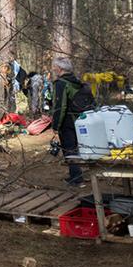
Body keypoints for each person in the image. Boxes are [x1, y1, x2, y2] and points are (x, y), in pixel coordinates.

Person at [50, 57, 94, 186]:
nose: (53, 69)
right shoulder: (78, 82)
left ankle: (76, 179)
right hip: (81, 119)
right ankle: (78, 175)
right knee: (77, 148)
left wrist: (56, 126)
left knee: (69, 150)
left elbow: (60, 106)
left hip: (68, 121)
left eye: (54, 67)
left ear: (60, 68)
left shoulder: (61, 83)